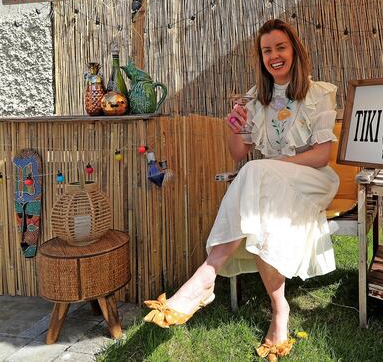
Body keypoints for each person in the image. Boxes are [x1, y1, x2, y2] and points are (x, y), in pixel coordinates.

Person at [144, 19, 340, 359]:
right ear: (261, 58)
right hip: (268, 183)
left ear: (295, 51)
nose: (274, 56)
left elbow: (322, 155)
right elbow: (238, 152)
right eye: (267, 50)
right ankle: (279, 310)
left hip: (312, 179)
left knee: (256, 171)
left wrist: (275, 166)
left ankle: (207, 274)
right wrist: (233, 128)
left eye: (280, 47)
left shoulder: (319, 93)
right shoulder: (254, 99)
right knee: (261, 202)